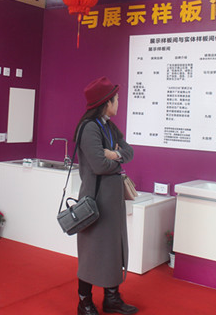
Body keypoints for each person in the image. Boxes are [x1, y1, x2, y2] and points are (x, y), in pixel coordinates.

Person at [74, 76, 137, 315]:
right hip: (95, 200)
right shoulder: (88, 128)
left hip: (113, 201)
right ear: (106, 102)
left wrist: (115, 155)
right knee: (91, 251)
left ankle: (112, 298)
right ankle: (84, 302)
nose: (119, 102)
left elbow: (129, 151)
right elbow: (99, 165)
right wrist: (115, 159)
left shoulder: (109, 126)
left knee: (113, 249)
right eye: (116, 99)